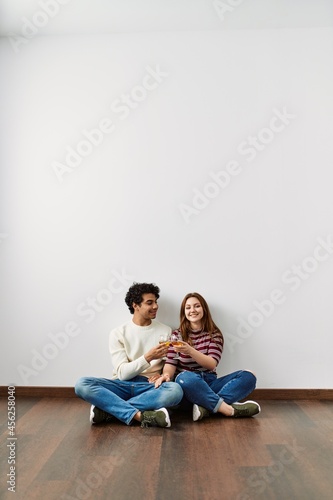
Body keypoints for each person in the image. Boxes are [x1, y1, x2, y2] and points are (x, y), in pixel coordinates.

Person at [75, 282, 183, 428]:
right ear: (135, 305)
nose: (156, 306)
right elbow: (123, 374)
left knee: (175, 391)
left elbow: (170, 364)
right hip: (121, 385)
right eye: (149, 303)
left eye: (156, 302)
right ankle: (140, 415)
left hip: (149, 387)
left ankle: (109, 410)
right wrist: (148, 357)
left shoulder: (165, 331)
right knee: (82, 384)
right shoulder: (118, 333)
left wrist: (163, 375)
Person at [155, 292, 261, 420]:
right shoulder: (177, 334)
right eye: (188, 308)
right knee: (184, 377)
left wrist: (190, 350)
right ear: (184, 312)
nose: (192, 310)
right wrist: (165, 376)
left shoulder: (214, 334)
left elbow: (211, 364)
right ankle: (226, 409)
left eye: (197, 306)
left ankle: (205, 407)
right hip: (188, 388)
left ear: (204, 309)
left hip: (210, 383)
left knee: (249, 376)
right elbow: (170, 364)